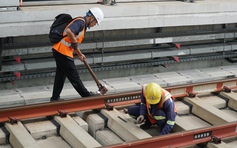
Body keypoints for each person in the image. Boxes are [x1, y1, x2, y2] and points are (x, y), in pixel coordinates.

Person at [50, 7, 104, 101]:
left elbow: (72, 43)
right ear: (92, 18)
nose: (95, 25)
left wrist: (79, 54)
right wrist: (75, 43)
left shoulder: (82, 24)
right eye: (95, 22)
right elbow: (69, 31)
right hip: (62, 52)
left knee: (61, 75)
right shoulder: (80, 22)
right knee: (74, 76)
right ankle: (86, 96)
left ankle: (55, 98)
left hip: (60, 51)